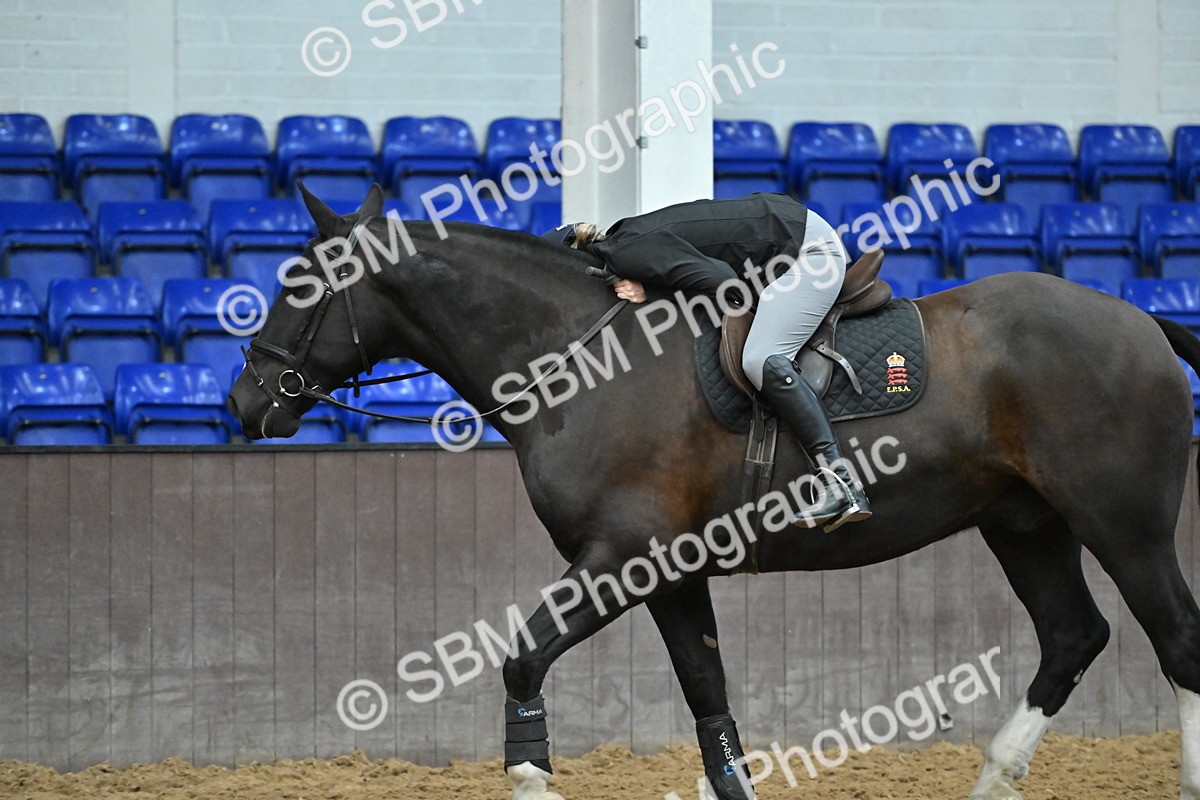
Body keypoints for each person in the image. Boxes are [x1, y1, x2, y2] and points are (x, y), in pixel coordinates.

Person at [544, 193, 870, 531]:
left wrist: (650, 294)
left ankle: (840, 481)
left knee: (761, 359)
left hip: (810, 254)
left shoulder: (626, 252)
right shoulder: (626, 238)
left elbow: (722, 280)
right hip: (791, 230)